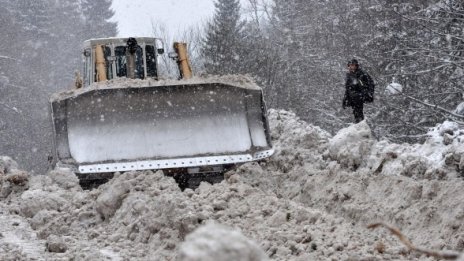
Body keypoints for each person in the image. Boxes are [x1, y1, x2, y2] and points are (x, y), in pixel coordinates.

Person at [342, 59, 374, 123]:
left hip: (360, 96)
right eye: (349, 66)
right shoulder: (349, 75)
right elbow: (348, 88)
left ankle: (361, 123)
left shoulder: (362, 74)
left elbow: (371, 84)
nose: (351, 67)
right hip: (353, 97)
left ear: (356, 66)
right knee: (355, 112)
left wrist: (368, 93)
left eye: (352, 65)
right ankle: (358, 123)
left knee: (359, 111)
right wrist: (345, 99)